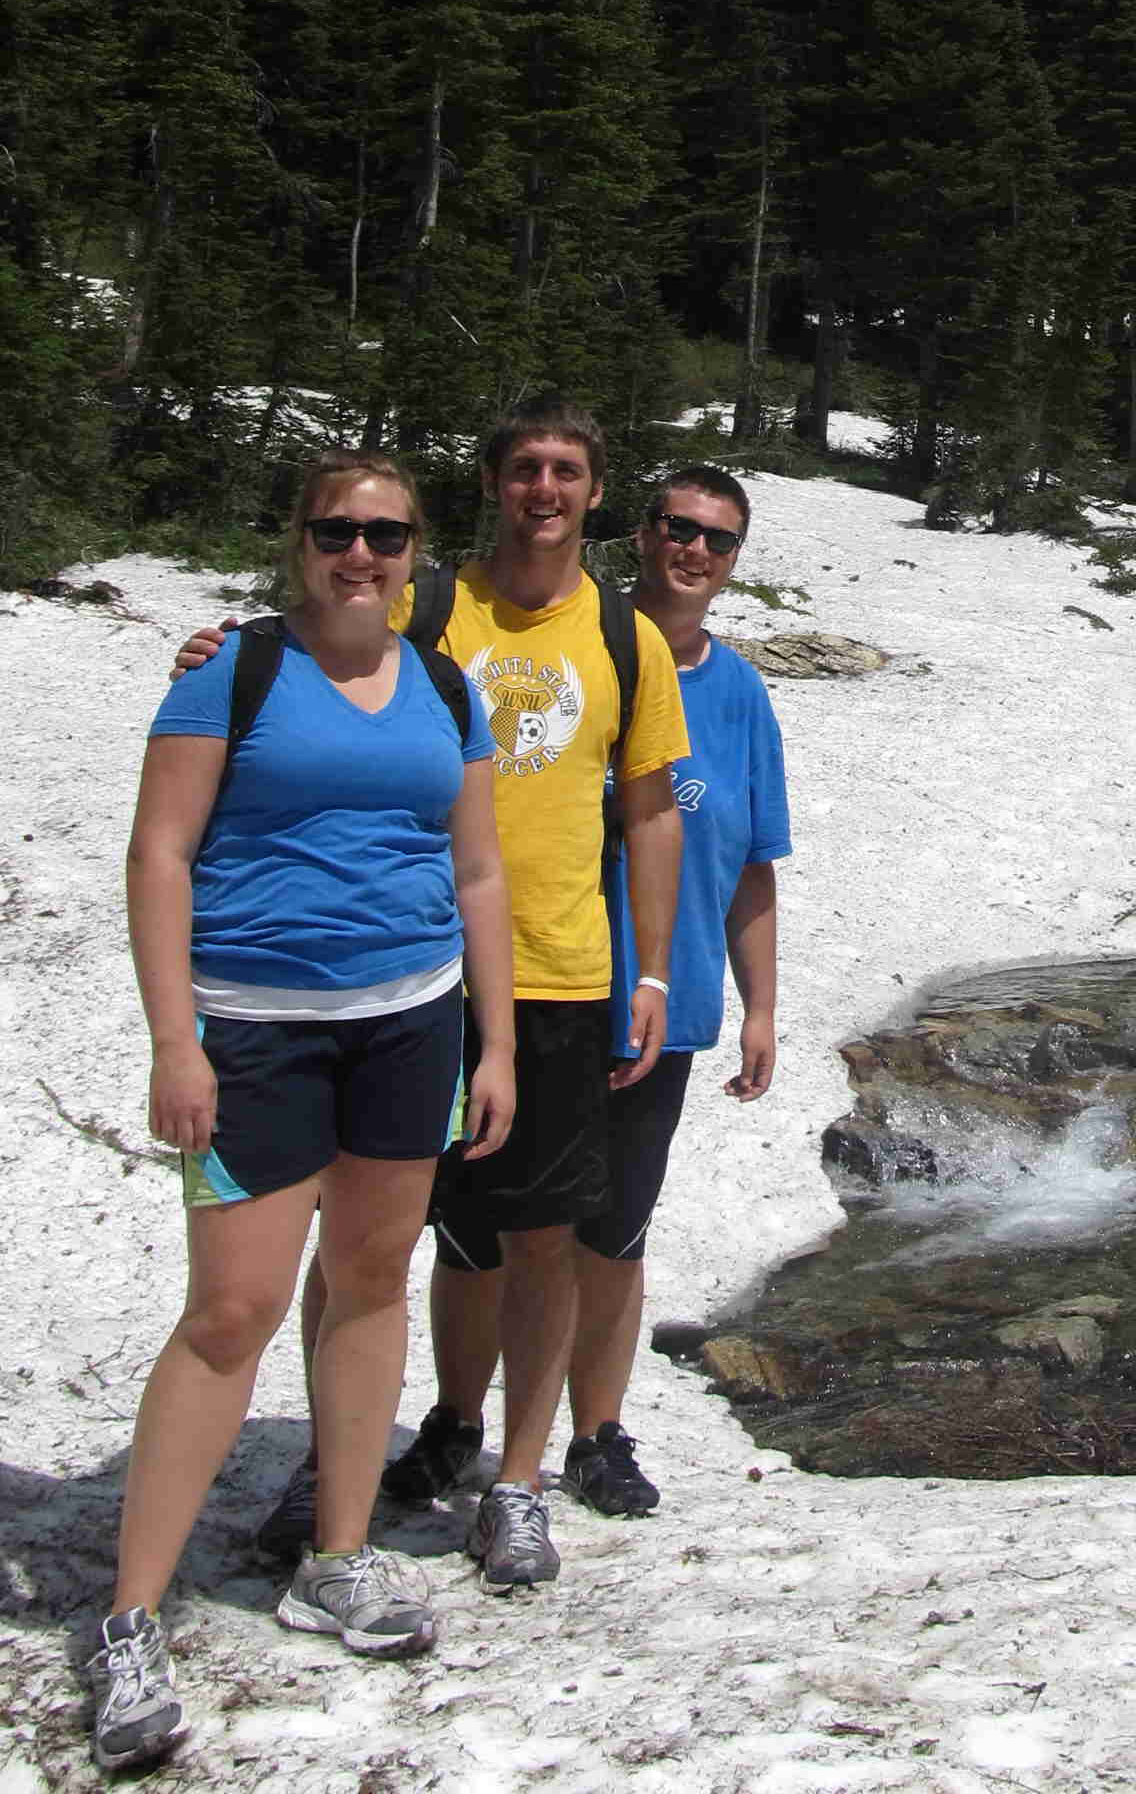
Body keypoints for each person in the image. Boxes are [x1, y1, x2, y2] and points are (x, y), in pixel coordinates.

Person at [176, 394, 688, 1596]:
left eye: (566, 469)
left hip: (558, 968)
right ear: (494, 483)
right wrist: (217, 647)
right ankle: (335, 1467)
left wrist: (652, 965)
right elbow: (317, 631)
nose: (544, 489)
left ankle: (515, 1480)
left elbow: (650, 811)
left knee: (544, 1234)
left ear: (595, 490)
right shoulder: (427, 599)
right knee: (362, 1242)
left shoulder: (628, 638)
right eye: (524, 468)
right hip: (401, 976)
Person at [88, 453, 515, 1775]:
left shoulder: (447, 687)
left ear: (415, 548)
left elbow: (480, 870)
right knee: (233, 1310)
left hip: (410, 1022)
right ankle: (128, 1618)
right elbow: (159, 853)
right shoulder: (233, 672)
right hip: (256, 1033)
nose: (362, 554)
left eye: (386, 534)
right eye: (338, 530)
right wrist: (178, 1042)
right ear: (299, 539)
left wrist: (495, 1043)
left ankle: (339, 1555)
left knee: (375, 1277)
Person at [422, 461, 786, 1520]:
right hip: (530, 985)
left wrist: (760, 1004)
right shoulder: (583, 636)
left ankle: (596, 1430)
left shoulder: (740, 691)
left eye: (718, 539)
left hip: (656, 1003)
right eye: (678, 527)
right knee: (479, 1226)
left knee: (612, 1229)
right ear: (640, 530)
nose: (695, 551)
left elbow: (751, 859)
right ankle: (456, 1422)